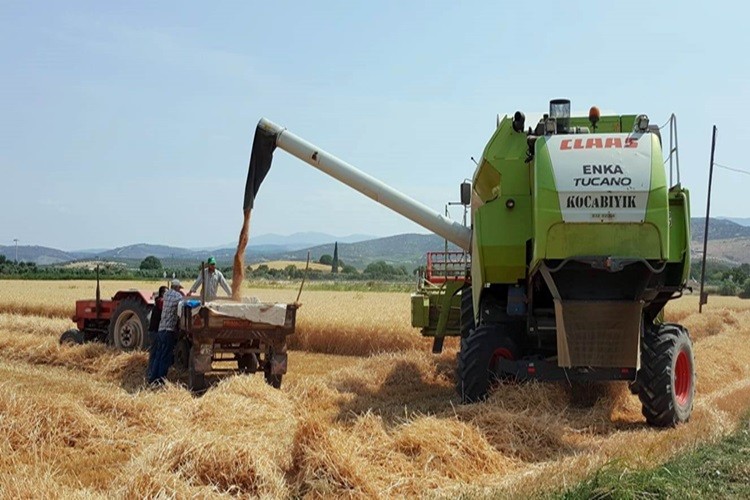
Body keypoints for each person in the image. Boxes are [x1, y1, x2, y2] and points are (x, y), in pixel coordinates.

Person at [147, 279, 184, 386]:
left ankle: (153, 378)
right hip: (169, 331)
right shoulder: (177, 297)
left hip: (160, 330)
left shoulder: (166, 295)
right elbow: (183, 305)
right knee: (165, 357)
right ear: (177, 288)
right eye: (179, 288)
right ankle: (161, 381)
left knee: (158, 355)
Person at [146, 285, 167, 380]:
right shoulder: (160, 302)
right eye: (167, 293)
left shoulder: (156, 302)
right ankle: (151, 375)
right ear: (163, 293)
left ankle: (151, 373)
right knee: (155, 354)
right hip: (155, 332)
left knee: (154, 354)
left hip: (153, 331)